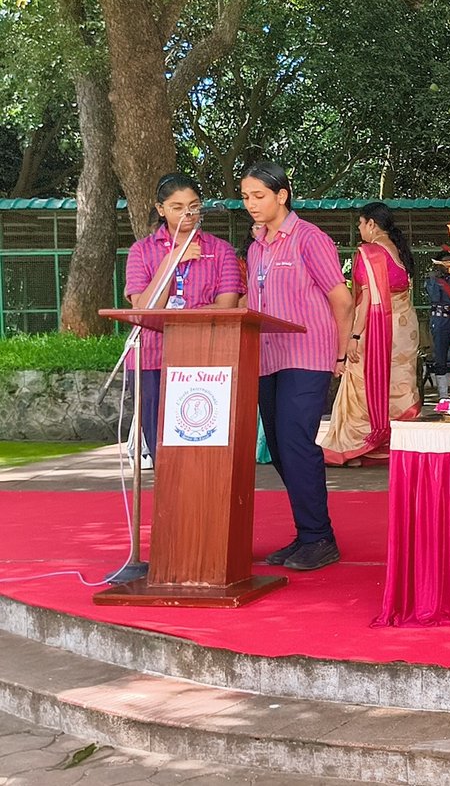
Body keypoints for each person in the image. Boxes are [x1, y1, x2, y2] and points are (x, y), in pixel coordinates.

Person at [241, 160, 354, 571]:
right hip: (267, 357)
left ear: (282, 195)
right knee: (279, 448)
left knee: (295, 442)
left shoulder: (310, 238)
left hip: (307, 355)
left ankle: (319, 537)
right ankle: (308, 532)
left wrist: (341, 354)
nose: (251, 204)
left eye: (259, 195)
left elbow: (342, 300)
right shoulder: (256, 247)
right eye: (246, 197)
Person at [123, 174, 244, 456]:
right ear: (160, 209)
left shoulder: (221, 250)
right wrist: (170, 261)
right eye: (177, 207)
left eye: (194, 206)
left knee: (203, 443)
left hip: (205, 358)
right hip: (152, 357)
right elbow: (145, 309)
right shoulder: (142, 251)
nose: (187, 214)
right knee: (160, 446)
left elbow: (227, 307)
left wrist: (177, 314)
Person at [319, 202, 423, 466]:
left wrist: (354, 338)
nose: (360, 229)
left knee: (361, 380)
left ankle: (356, 446)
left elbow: (367, 300)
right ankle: (391, 444)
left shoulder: (371, 253)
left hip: (379, 327)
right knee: (398, 382)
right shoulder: (399, 250)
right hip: (404, 329)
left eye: (361, 223)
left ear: (372, 224)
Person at [425, 247, 450, 400]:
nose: (448, 265)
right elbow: (434, 298)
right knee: (440, 357)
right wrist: (435, 281)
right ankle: (443, 395)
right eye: (445, 262)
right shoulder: (434, 279)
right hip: (440, 321)